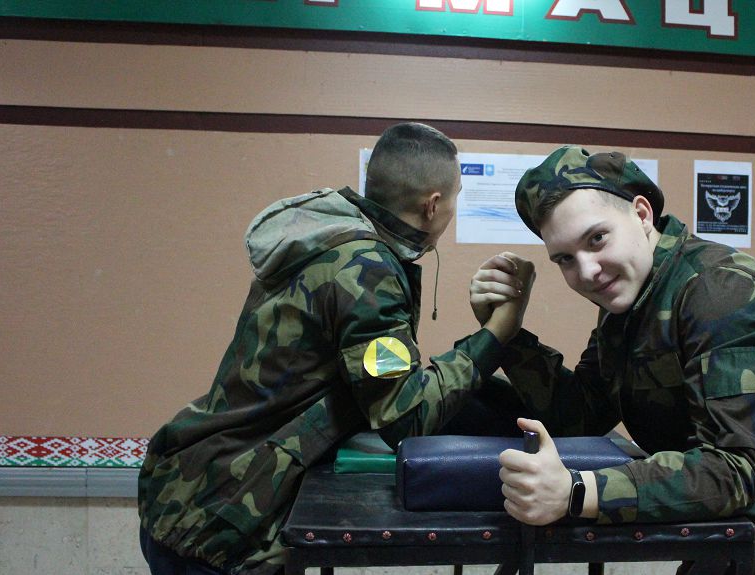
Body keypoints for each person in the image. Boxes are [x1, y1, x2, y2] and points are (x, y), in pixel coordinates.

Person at [137, 122, 528, 575]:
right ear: (433, 204)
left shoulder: (335, 245)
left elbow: (378, 381)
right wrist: (497, 333)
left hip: (197, 492)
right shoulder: (365, 269)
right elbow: (406, 417)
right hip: (222, 522)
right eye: (456, 197)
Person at [469, 146, 755, 574]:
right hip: (725, 540)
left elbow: (732, 470)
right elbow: (583, 415)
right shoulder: (629, 304)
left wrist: (576, 491)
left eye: (597, 239)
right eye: (565, 259)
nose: (587, 271)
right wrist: (506, 336)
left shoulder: (721, 292)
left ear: (642, 214)